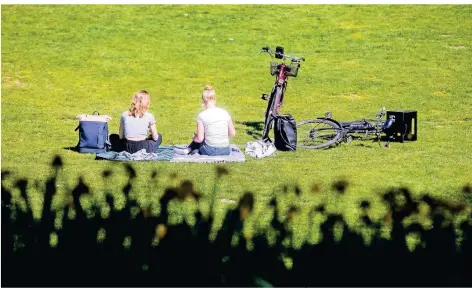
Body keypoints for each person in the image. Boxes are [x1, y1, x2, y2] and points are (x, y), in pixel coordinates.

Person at [178, 85, 236, 156]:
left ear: (203, 100)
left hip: (210, 151)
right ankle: (191, 150)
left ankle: (189, 149)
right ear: (215, 98)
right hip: (225, 150)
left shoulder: (201, 115)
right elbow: (232, 133)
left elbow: (200, 139)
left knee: (199, 136)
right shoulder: (225, 112)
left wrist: (194, 138)